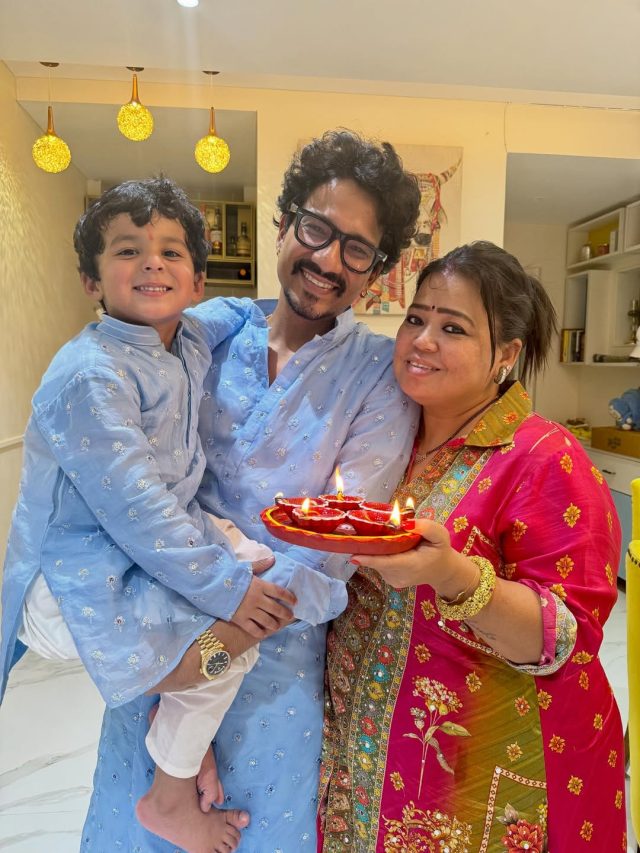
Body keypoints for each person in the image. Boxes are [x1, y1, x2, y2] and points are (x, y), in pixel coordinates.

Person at [77, 130, 422, 852]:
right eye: (317, 229)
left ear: (379, 269)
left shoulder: (377, 379)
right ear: (285, 221)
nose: (329, 260)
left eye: (357, 249)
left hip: (274, 677)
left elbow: (333, 553)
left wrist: (212, 663)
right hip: (158, 644)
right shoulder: (204, 333)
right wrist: (181, 703)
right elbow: (135, 491)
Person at [0, 176, 305, 853]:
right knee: (232, 638)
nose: (151, 264)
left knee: (254, 581)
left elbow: (235, 310)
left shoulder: (187, 337)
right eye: (127, 250)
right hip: (76, 577)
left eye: (171, 252)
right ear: (91, 281)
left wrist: (293, 313)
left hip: (139, 553)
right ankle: (169, 793)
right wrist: (229, 591)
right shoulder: (91, 374)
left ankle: (182, 744)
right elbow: (138, 511)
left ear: (194, 281)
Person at [321, 241, 626, 852]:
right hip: (362, 753)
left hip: (488, 777)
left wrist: (455, 576)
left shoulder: (546, 458)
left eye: (453, 328)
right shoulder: (385, 435)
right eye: (416, 318)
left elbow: (563, 641)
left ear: (505, 355)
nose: (422, 340)